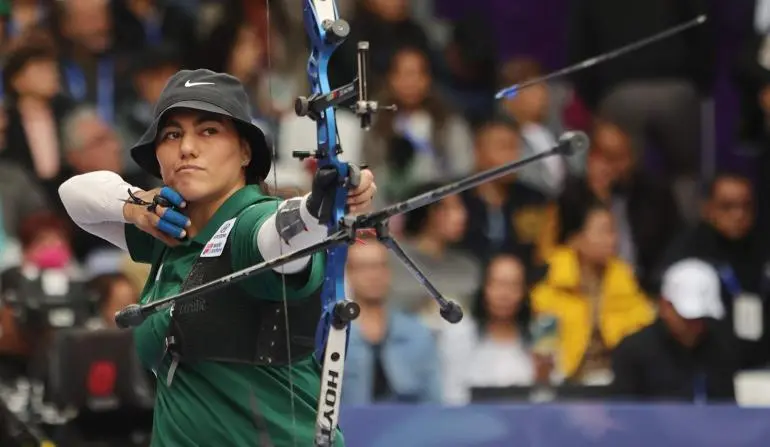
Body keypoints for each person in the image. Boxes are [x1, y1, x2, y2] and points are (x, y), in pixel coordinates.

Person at [58, 69, 377, 446]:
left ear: (245, 151)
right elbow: (74, 196)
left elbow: (278, 236)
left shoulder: (250, 223)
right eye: (172, 134)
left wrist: (316, 209)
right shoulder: (168, 232)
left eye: (208, 131)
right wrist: (136, 206)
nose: (187, 148)